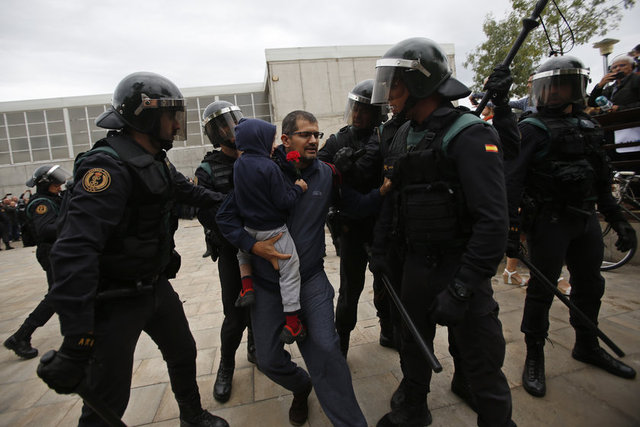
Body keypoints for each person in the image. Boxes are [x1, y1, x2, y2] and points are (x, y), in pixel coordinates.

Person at [36, 71, 229, 427]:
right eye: (171, 116)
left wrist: (231, 202)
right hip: (114, 299)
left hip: (153, 285)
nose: (177, 125)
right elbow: (75, 250)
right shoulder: (106, 167)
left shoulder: (155, 157)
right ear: (146, 116)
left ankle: (192, 416)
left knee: (183, 352)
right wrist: (76, 339)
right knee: (109, 396)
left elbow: (187, 191)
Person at [369, 37, 515, 427]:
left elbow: (493, 222)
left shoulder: (470, 134)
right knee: (412, 346)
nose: (389, 97)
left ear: (419, 84)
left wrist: (464, 287)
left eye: (394, 86)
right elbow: (393, 199)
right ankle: (413, 408)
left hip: (459, 267)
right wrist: (380, 252)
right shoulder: (404, 134)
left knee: (482, 363)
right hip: (415, 264)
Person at [217, 110, 390, 427]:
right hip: (267, 285)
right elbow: (226, 218)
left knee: (326, 349)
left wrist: (380, 194)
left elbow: (353, 205)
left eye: (316, 134)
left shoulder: (327, 174)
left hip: (309, 279)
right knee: (268, 359)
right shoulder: (260, 170)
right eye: (305, 134)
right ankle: (300, 387)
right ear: (285, 140)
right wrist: (253, 246)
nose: (313, 140)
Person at [505, 56, 637, 399]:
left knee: (591, 285)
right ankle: (534, 355)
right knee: (542, 290)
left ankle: (587, 344)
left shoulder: (589, 126)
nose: (553, 93)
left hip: (585, 219)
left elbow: (601, 179)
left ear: (575, 88)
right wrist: (510, 230)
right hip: (549, 221)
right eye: (548, 87)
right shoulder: (531, 128)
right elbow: (512, 182)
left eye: (561, 86)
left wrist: (618, 220)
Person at [317, 79, 392, 356]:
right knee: (350, 288)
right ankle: (343, 341)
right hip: (351, 225)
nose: (357, 114)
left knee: (386, 282)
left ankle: (388, 329)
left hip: (381, 225)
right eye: (355, 108)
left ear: (377, 113)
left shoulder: (386, 137)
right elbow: (317, 167)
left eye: (364, 110)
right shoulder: (338, 139)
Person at [195, 100, 256, 404]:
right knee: (234, 316)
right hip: (232, 252)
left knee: (261, 307)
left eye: (234, 121)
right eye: (224, 126)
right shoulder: (207, 169)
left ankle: (256, 348)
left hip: (263, 248)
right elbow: (207, 214)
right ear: (214, 133)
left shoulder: (256, 156)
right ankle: (226, 367)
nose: (232, 129)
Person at [232, 117, 308, 347]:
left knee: (242, 253)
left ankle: (247, 287)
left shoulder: (239, 164)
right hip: (273, 232)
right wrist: (298, 188)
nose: (273, 145)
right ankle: (292, 323)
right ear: (259, 140)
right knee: (290, 270)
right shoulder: (269, 167)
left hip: (249, 228)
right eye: (270, 140)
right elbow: (284, 201)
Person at [3, 165, 69, 359]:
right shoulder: (41, 203)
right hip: (52, 253)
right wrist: (72, 222)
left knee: (62, 295)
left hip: (59, 251)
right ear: (45, 183)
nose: (59, 186)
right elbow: (46, 230)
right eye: (55, 183)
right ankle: (20, 336)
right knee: (57, 296)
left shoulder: (53, 198)